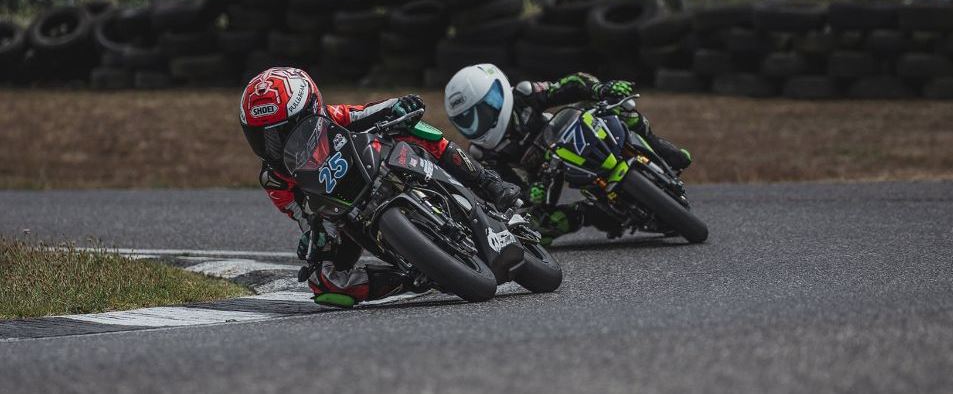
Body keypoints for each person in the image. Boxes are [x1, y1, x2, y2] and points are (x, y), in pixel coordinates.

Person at [239, 67, 520, 308]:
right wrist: (313, 236)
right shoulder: (274, 178)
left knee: (413, 128)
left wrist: (398, 106)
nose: (273, 145)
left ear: (310, 112)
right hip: (339, 213)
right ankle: (407, 280)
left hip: (375, 165)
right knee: (325, 284)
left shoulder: (332, 117)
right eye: (262, 138)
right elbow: (300, 213)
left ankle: (487, 182)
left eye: (282, 132)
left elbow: (372, 111)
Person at [443, 64, 691, 245]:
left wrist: (600, 89)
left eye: (482, 112)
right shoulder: (483, 154)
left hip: (570, 133)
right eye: (467, 120)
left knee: (623, 110)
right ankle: (594, 214)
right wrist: (530, 196)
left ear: (498, 95)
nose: (477, 123)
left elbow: (572, 84)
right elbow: (507, 191)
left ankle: (661, 149)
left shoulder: (524, 95)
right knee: (537, 225)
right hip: (546, 174)